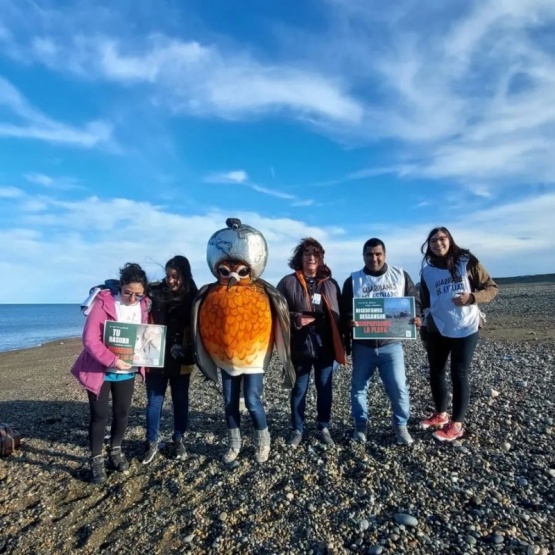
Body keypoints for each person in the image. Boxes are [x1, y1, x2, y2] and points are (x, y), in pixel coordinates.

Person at [71, 263, 150, 484]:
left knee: (122, 413)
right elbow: (89, 339)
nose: (132, 298)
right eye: (128, 293)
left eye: (138, 294)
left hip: (127, 371)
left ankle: (115, 450)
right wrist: (112, 360)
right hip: (100, 370)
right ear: (120, 286)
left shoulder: (144, 306)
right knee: (99, 416)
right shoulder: (104, 302)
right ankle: (96, 459)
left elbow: (146, 335)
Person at [419, 227, 498, 441]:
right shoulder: (427, 271)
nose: (438, 244)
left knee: (459, 373)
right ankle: (441, 415)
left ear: (450, 240)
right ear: (429, 245)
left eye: (442, 239)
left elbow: (491, 288)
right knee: (436, 371)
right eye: (433, 240)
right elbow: (425, 301)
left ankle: (457, 425)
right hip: (437, 326)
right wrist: (421, 323)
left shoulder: (467, 261)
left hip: (466, 326)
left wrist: (471, 297)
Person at [341, 238, 421, 445]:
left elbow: (414, 300)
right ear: (363, 256)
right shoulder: (353, 280)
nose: (373, 258)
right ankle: (360, 427)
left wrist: (416, 316)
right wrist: (349, 321)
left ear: (384, 255)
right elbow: (345, 310)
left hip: (392, 344)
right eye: (369, 254)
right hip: (363, 346)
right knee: (358, 388)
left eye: (378, 254)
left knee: (398, 387)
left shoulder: (400, 276)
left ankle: (401, 426)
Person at [277, 238, 346, 448]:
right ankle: (297, 428)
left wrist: (345, 342)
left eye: (316, 254)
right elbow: (277, 312)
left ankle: (323, 426)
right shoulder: (287, 282)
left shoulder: (331, 283)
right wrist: (295, 317)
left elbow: (340, 314)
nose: (312, 258)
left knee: (324, 387)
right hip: (300, 344)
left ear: (321, 258)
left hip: (325, 344)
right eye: (307, 254)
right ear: (300, 257)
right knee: (299, 388)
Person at [142, 256, 199, 464]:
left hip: (181, 358)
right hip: (154, 356)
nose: (170, 281)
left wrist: (190, 351)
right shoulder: (155, 292)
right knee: (154, 402)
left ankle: (178, 439)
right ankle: (151, 442)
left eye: (175, 276)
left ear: (184, 275)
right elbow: (136, 295)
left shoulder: (194, 296)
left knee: (180, 400)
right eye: (167, 276)